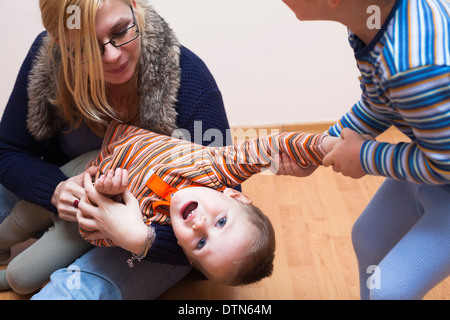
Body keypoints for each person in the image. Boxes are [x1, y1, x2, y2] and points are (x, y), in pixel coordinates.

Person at [0, 0, 237, 299]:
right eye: (85, 48)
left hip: (159, 229)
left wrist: (140, 237)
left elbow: (224, 218)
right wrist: (55, 190)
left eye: (121, 31)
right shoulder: (47, 60)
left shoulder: (191, 84)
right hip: (73, 205)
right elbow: (7, 150)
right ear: (59, 43)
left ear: (134, 6)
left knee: (71, 294)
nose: (112, 56)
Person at [0, 119, 339, 289]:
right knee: (24, 214)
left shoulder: (149, 223)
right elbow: (271, 147)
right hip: (90, 161)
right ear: (234, 195)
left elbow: (94, 233)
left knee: (20, 276)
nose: (199, 224)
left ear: (182, 248)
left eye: (201, 243)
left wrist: (105, 196)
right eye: (221, 222)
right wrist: (322, 146)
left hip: (87, 197)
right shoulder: (217, 166)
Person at [281, 0, 450, 299]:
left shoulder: (412, 67)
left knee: (389, 290)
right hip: (437, 158)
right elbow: (379, 103)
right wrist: (320, 147)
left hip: (442, 165)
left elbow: (444, 164)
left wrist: (364, 157)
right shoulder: (371, 24)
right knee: (370, 238)